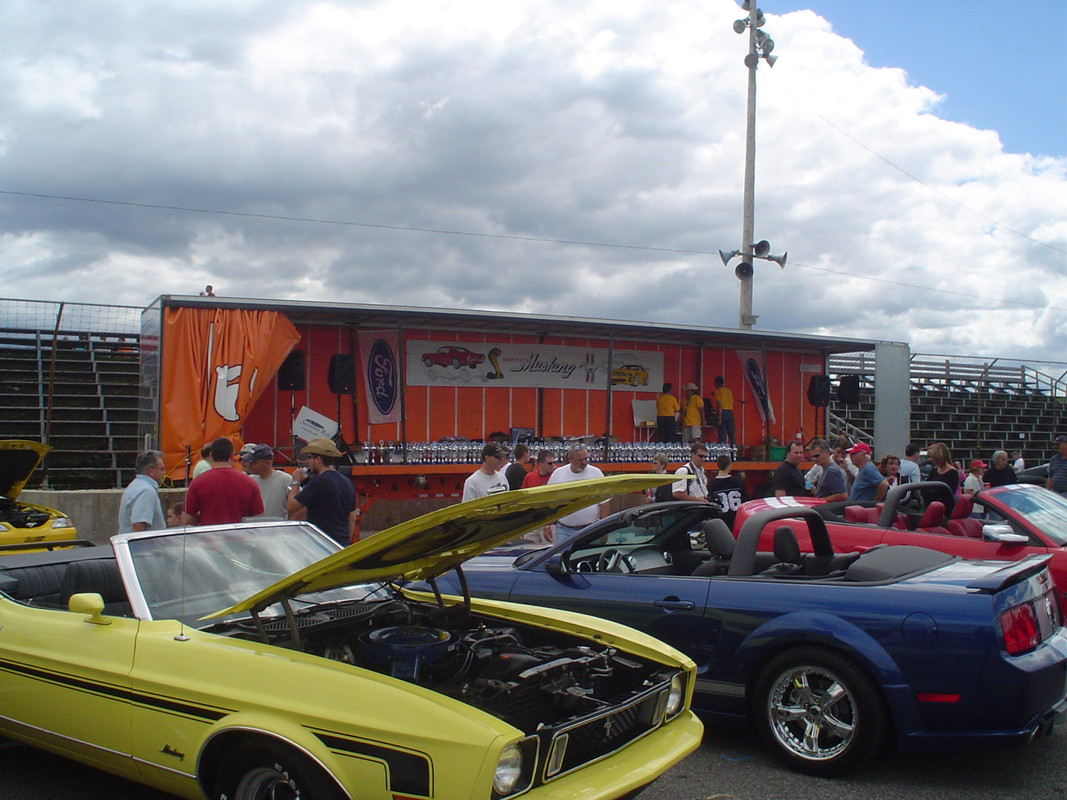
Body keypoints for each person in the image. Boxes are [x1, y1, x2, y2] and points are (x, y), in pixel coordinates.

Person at [287, 437, 357, 545]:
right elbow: (352, 517)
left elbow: (291, 507)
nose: (307, 461)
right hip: (341, 544)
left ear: (318, 459)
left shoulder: (319, 482)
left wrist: (296, 481)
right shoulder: (346, 481)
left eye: (309, 457)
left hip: (321, 543)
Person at [182, 437, 263, 525]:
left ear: (211, 456)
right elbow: (259, 518)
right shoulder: (249, 482)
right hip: (240, 536)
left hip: (209, 536)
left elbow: (186, 519)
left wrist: (202, 517)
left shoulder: (197, 483)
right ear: (232, 455)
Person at [547, 443, 606, 541]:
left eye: (586, 459)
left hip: (590, 529)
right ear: (570, 459)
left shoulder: (596, 473)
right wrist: (547, 525)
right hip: (564, 529)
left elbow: (604, 503)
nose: (584, 462)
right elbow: (549, 501)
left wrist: (603, 528)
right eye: (580, 460)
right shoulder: (558, 474)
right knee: (562, 556)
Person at [118, 450, 167, 533]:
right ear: (151, 471)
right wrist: (141, 545)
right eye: (161, 469)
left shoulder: (135, 486)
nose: (164, 473)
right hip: (144, 545)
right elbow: (138, 523)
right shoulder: (147, 491)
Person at [243, 443, 293, 519]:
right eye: (249, 462)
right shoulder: (250, 480)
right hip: (255, 527)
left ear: (267, 463)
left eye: (254, 463)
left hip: (278, 528)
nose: (250, 465)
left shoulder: (286, 480)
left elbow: (298, 507)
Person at [707, 454, 748, 531]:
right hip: (737, 520)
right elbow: (745, 501)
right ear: (728, 466)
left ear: (718, 466)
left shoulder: (712, 484)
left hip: (721, 523)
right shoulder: (737, 481)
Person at [711, 376, 736, 447]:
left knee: (722, 434)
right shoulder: (729, 391)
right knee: (731, 434)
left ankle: (723, 452)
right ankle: (733, 452)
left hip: (723, 413)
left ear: (717, 383)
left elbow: (719, 405)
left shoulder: (718, 391)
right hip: (730, 412)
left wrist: (719, 417)